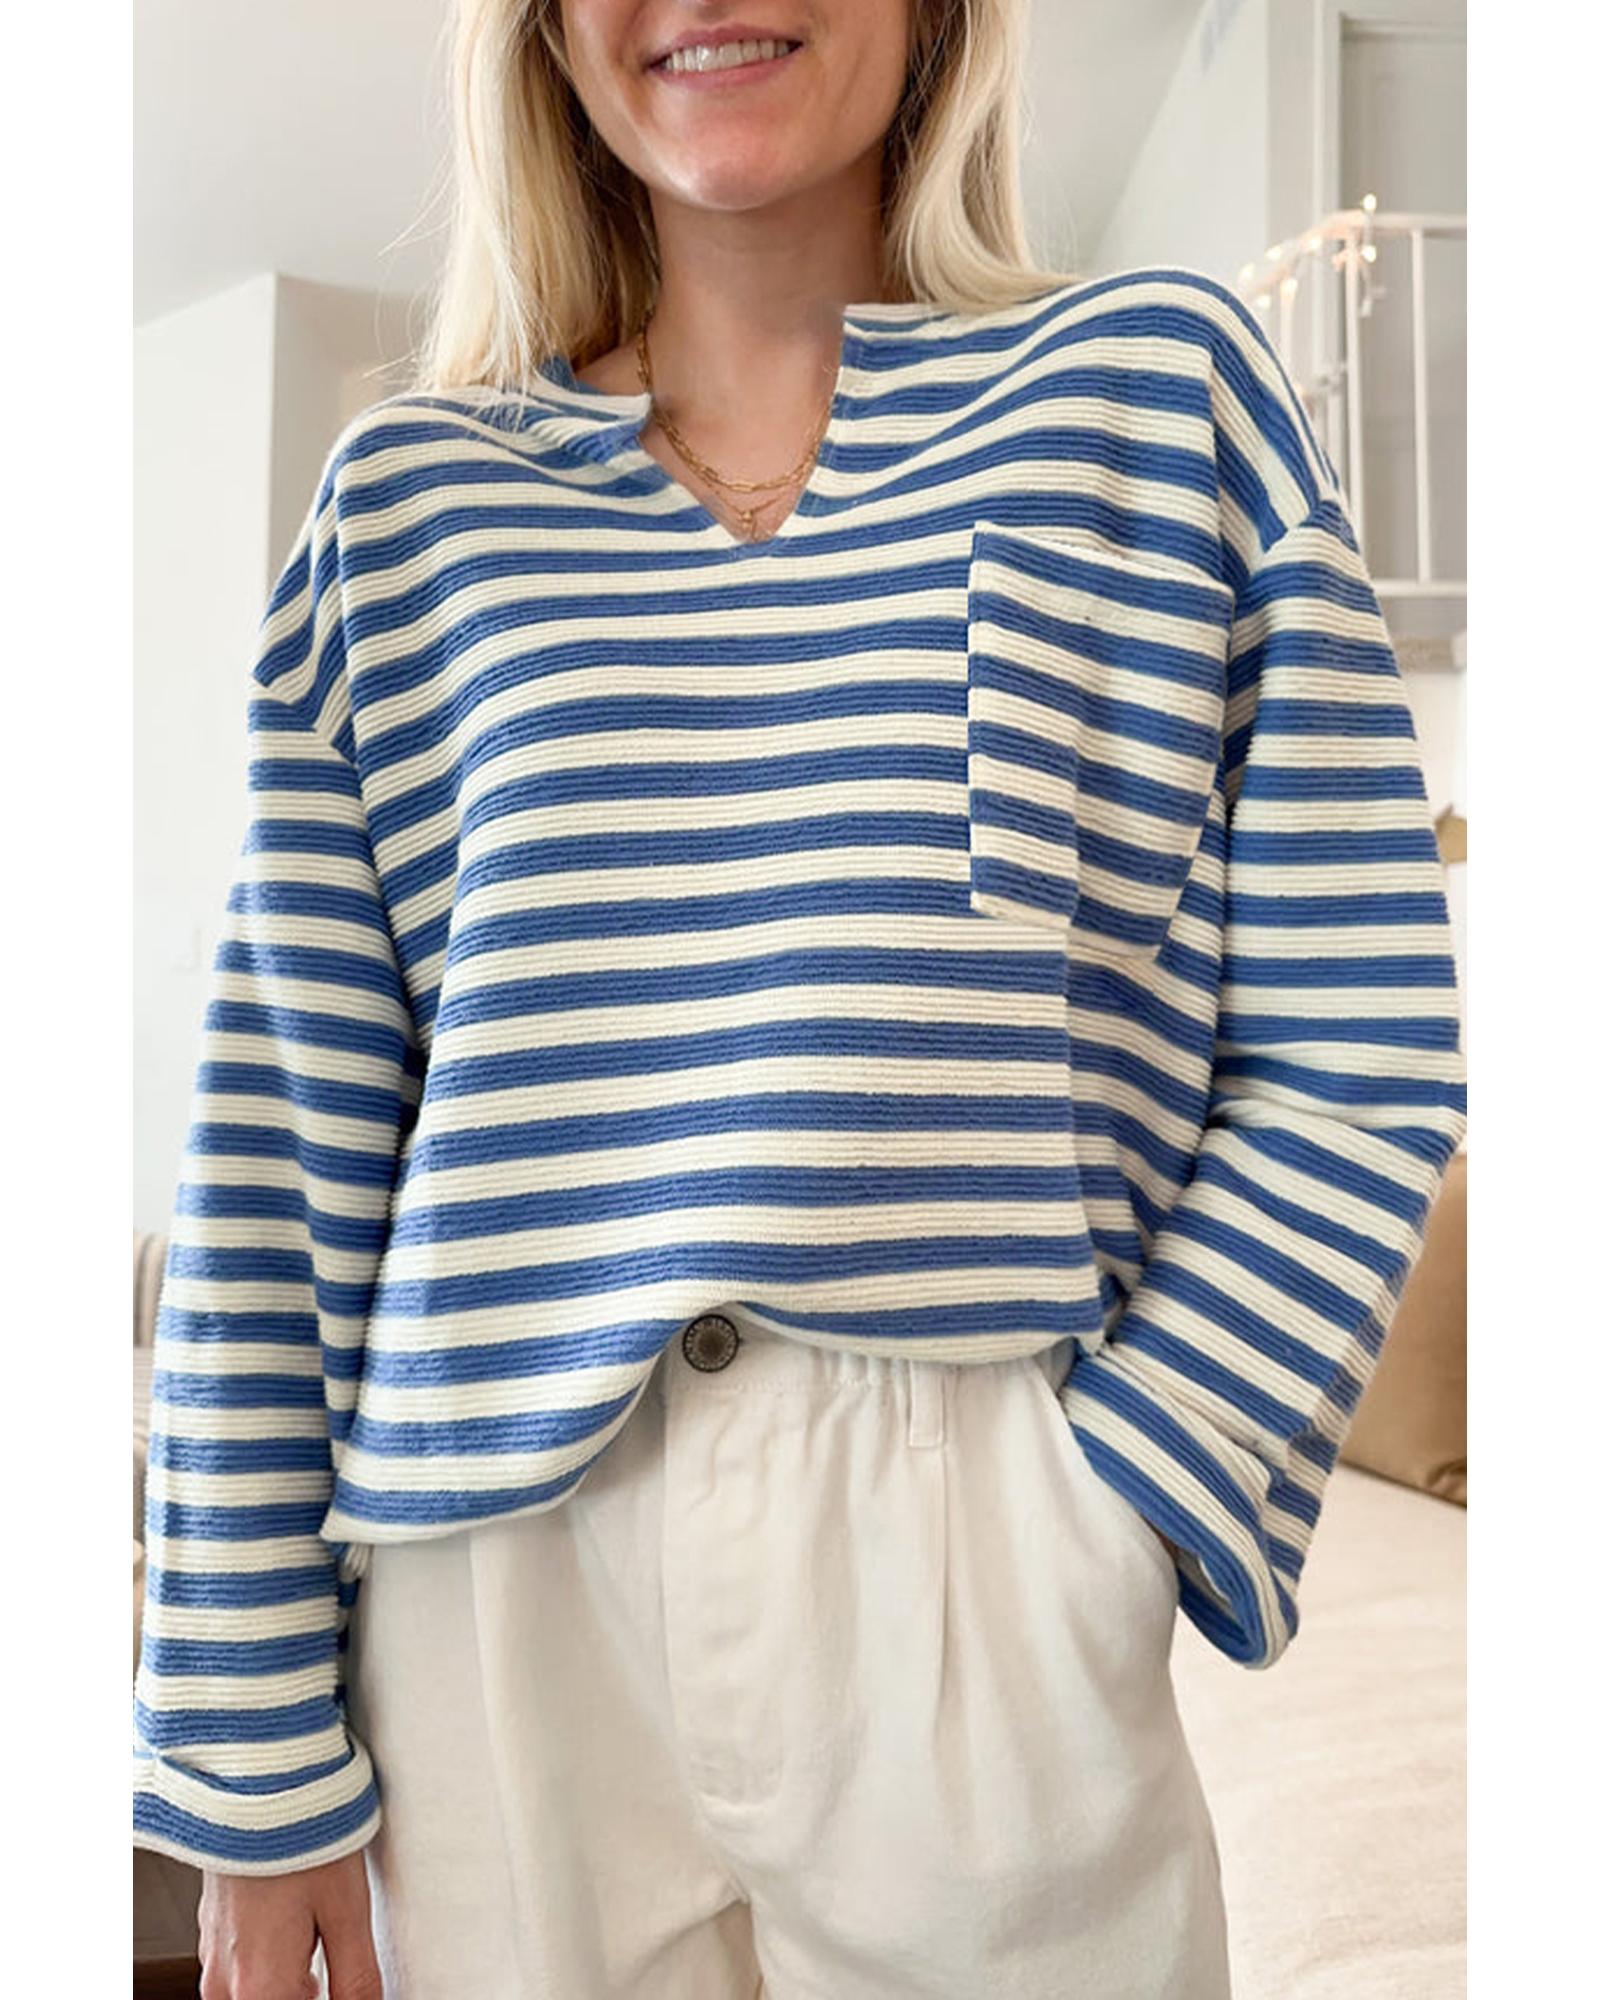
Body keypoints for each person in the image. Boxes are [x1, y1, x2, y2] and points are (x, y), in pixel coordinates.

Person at [131, 1, 1468, 1995]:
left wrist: (1130, 1488)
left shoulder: (1157, 398)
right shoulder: (405, 512)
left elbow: (1350, 1045)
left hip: (984, 1574)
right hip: (491, 1615)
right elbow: (278, 1158)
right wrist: (243, 1744)